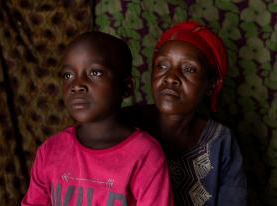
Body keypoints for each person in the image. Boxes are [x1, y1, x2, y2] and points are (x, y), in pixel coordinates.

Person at [22, 31, 174, 206]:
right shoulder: (50, 151)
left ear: (126, 86)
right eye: (68, 75)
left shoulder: (145, 155)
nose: (77, 85)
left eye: (95, 72)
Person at [124, 21, 247, 205]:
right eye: (162, 66)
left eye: (188, 69)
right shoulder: (122, 124)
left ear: (211, 84)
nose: (171, 78)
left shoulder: (221, 142)